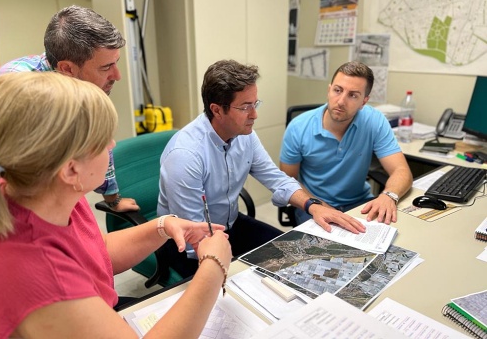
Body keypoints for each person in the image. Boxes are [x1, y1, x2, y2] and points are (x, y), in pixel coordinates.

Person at [0, 72, 231, 339]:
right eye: (103, 141)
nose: (113, 144)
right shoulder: (40, 274)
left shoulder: (45, 190)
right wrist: (213, 266)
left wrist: (161, 226)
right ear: (70, 169)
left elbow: (94, 253)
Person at [156, 59, 366, 278]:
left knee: (297, 255)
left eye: (255, 104)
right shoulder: (185, 155)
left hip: (229, 224)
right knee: (250, 284)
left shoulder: (245, 135)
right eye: (245, 107)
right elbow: (195, 236)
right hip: (186, 243)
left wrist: (313, 205)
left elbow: (276, 178)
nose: (254, 114)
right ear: (217, 110)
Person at [0, 5, 138, 213]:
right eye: (106, 67)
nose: (117, 76)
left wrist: (112, 200)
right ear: (67, 68)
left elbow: (98, 142)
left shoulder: (76, 82)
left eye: (116, 63)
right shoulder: (23, 96)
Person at [280, 61, 413, 226]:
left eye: (353, 95)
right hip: (315, 204)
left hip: (359, 203)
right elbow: (288, 181)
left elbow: (401, 170)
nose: (341, 101)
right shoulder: (298, 127)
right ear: (329, 90)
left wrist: (389, 195)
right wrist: (316, 206)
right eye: (337, 90)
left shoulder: (375, 121)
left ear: (364, 101)